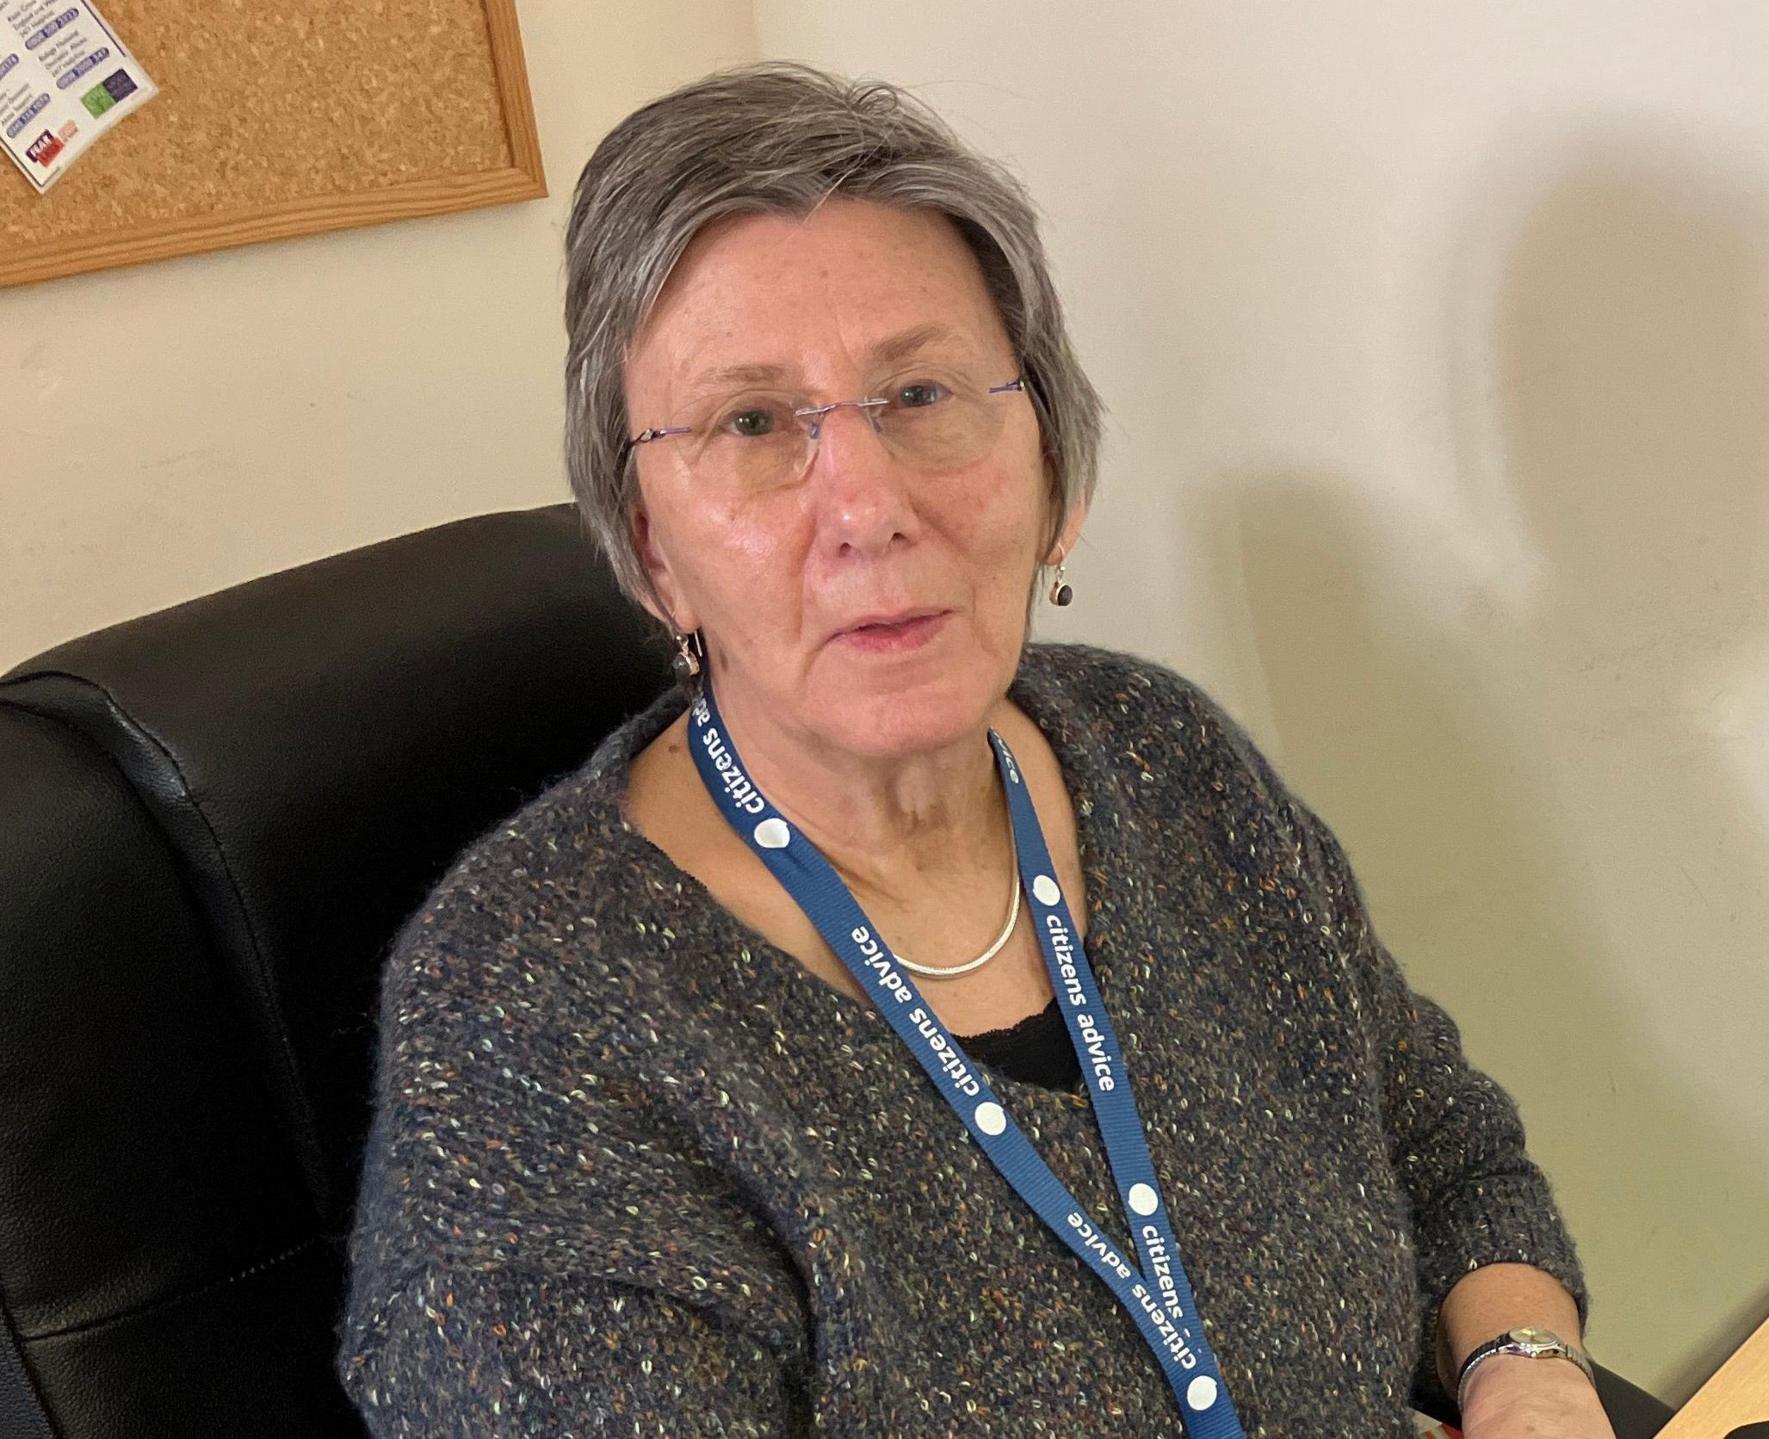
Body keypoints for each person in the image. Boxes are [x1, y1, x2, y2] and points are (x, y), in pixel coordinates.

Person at [335, 62, 1605, 1439]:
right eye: (753, 424)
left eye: (924, 393)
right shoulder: (534, 1015)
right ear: (652, 550)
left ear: (1051, 465)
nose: (868, 506)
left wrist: (1523, 1367)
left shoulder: (1167, 762)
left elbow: (1441, 1147)